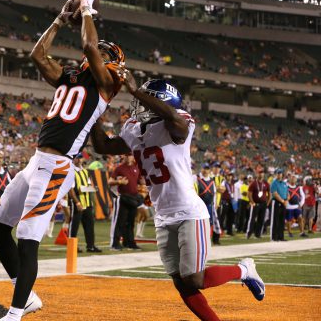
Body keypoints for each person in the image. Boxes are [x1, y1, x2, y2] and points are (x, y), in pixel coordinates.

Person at [0, 0, 125, 321]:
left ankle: (15, 314)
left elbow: (89, 46)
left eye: (102, 54)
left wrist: (87, 9)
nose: (96, 54)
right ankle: (26, 297)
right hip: (37, 161)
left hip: (58, 166)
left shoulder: (107, 84)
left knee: (27, 237)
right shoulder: (71, 75)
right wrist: (59, 21)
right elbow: (37, 55)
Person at [91, 73, 265, 321]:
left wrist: (136, 90)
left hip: (188, 212)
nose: (138, 104)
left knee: (195, 278)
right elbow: (103, 147)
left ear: (161, 102)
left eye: (145, 99)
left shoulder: (179, 121)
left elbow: (174, 120)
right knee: (182, 283)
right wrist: (95, 110)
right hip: (163, 215)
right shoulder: (133, 128)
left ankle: (243, 269)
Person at [68, 154, 101, 253]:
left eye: (80, 158)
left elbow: (88, 186)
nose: (79, 160)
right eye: (77, 158)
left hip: (87, 202)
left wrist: (94, 188)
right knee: (74, 225)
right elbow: (71, 189)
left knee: (89, 225)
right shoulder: (71, 172)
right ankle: (72, 247)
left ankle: (91, 246)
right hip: (77, 201)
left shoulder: (85, 171)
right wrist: (77, 202)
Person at [110, 154, 141, 250]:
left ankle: (129, 242)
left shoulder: (136, 168)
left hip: (133, 197)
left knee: (130, 222)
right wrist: (119, 182)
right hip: (123, 197)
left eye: (130, 155)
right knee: (120, 222)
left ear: (133, 156)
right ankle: (115, 243)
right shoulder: (119, 168)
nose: (128, 157)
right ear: (124, 157)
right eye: (127, 155)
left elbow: (140, 181)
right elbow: (109, 181)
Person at [194, 163, 221, 245]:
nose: (205, 171)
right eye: (204, 169)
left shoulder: (212, 180)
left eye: (207, 169)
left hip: (210, 205)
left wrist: (215, 203)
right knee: (200, 223)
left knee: (211, 223)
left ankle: (211, 239)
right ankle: (200, 240)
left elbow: (214, 193)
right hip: (200, 206)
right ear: (201, 169)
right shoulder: (196, 179)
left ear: (209, 170)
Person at [246, 170, 270, 239]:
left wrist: (268, 202)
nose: (261, 174)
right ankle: (249, 233)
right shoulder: (253, 183)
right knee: (252, 219)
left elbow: (269, 193)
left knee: (261, 219)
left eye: (262, 173)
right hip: (255, 203)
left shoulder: (266, 183)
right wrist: (252, 202)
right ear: (257, 174)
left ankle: (258, 234)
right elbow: (249, 194)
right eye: (259, 173)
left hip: (263, 203)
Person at [285, 174, 306, 238]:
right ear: (289, 179)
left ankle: (302, 232)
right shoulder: (286, 187)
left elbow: (303, 196)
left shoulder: (299, 187)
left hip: (297, 206)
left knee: (300, 218)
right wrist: (286, 204)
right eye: (292, 178)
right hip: (289, 206)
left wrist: (301, 204)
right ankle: (289, 232)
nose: (293, 179)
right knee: (289, 220)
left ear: (296, 180)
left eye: (294, 178)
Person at [270, 169, 288, 242]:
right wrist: (283, 201)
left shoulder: (284, 183)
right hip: (276, 202)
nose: (279, 175)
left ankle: (281, 236)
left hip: (283, 202)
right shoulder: (274, 183)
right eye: (277, 173)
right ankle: (274, 237)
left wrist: (286, 200)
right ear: (275, 174)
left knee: (282, 220)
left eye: (280, 173)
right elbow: (275, 193)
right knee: (275, 220)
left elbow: (287, 193)